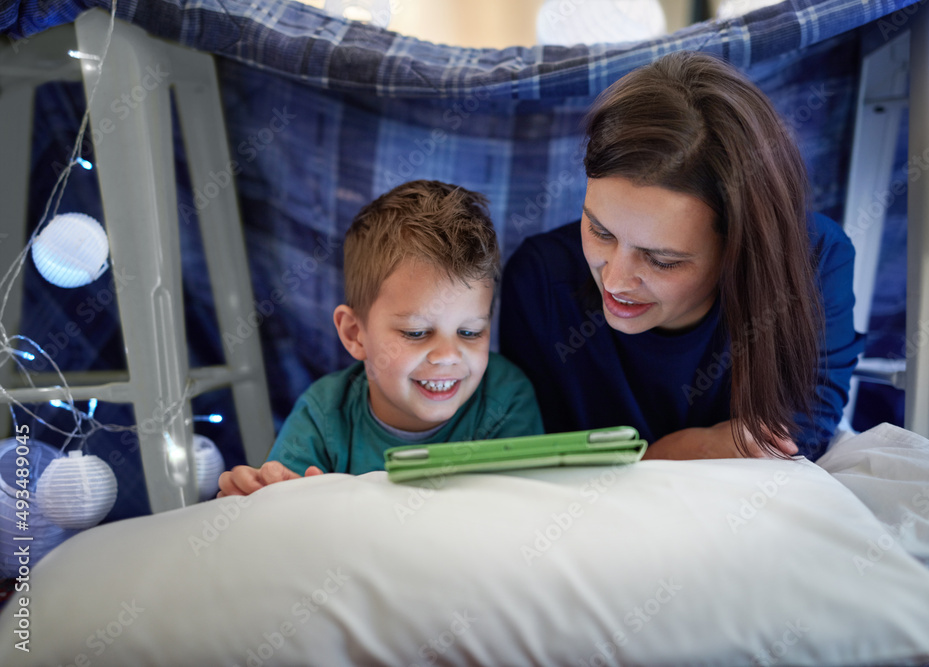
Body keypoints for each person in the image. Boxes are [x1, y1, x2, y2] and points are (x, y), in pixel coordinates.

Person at [499, 51, 865, 461]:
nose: (615, 280)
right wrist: (696, 447)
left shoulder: (814, 262)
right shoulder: (539, 281)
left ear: (739, 248)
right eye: (600, 231)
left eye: (662, 260)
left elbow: (796, 442)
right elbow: (540, 464)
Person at [219, 180, 544, 496]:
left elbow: (516, 519)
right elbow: (283, 522)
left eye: (470, 332)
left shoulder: (506, 399)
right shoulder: (322, 415)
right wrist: (255, 502)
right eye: (416, 333)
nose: (448, 355)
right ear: (354, 334)